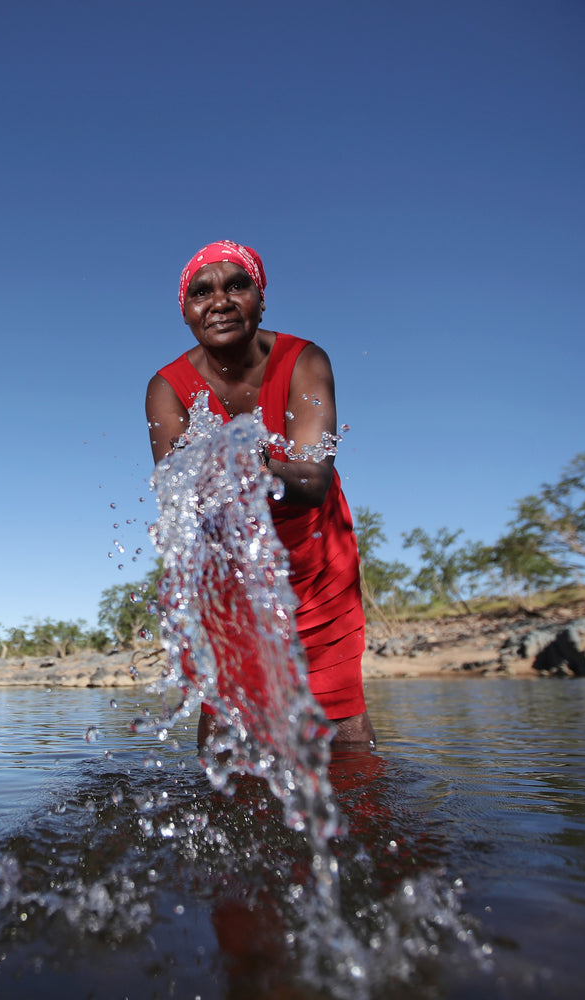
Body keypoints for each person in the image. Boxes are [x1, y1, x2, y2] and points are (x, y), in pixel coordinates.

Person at [145, 240, 375, 751]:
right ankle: (225, 815)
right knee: (227, 716)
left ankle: (366, 820)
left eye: (236, 285)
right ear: (186, 312)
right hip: (233, 567)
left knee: (339, 720)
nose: (219, 301)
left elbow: (313, 483)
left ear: (260, 297)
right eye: (201, 292)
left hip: (316, 563)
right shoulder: (167, 388)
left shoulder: (303, 360)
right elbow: (180, 502)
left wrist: (237, 457)